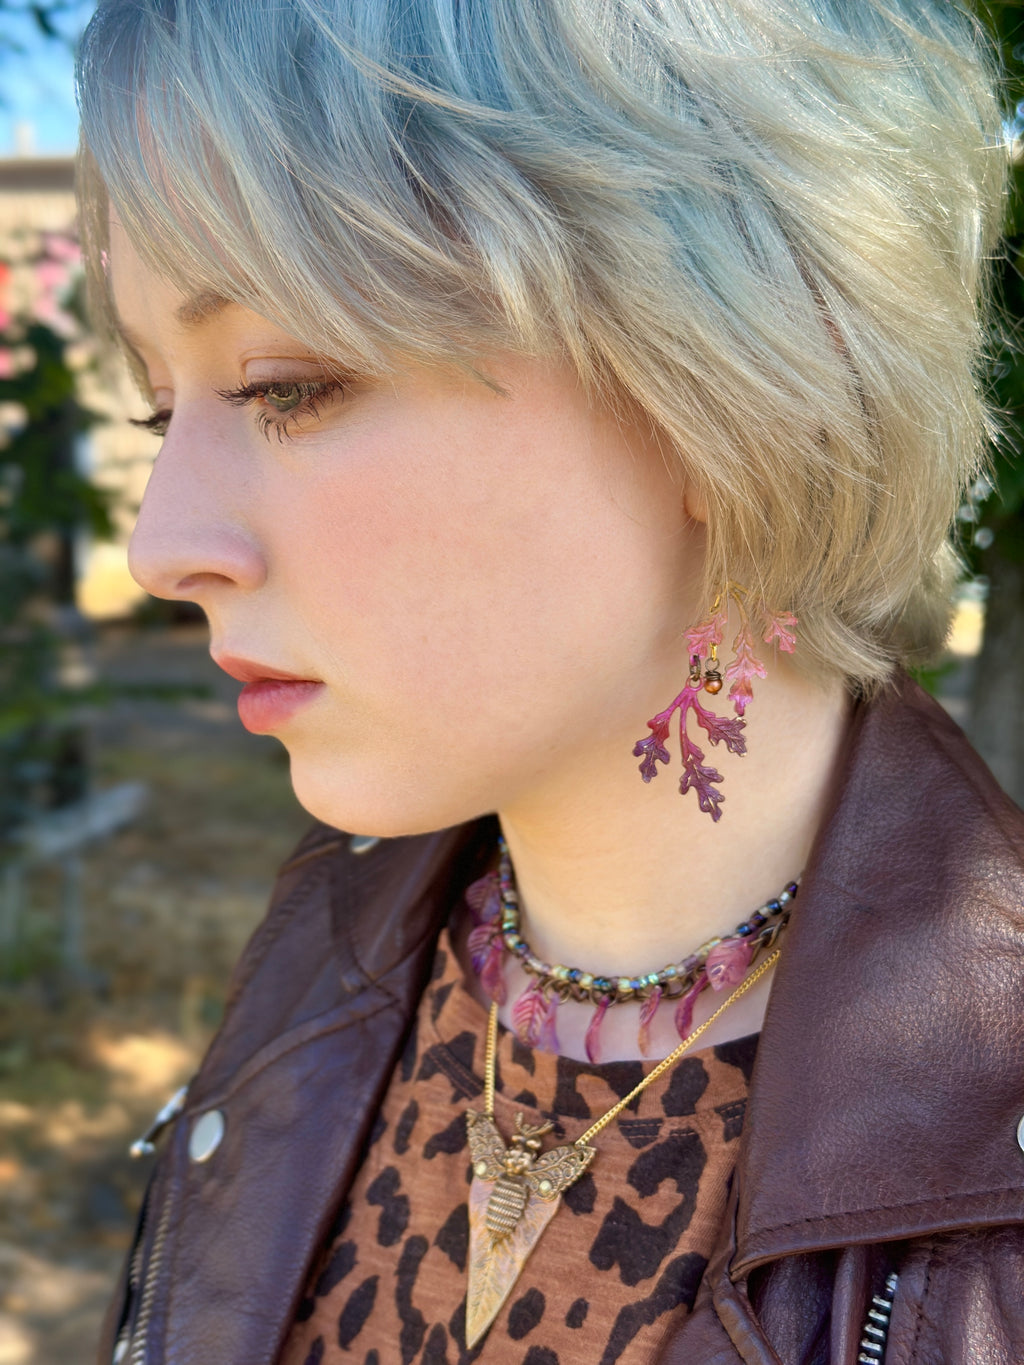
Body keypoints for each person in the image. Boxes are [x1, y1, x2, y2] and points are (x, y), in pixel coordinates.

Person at [75, 0, 1024, 1361]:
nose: (160, 544)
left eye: (290, 383)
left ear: (745, 377)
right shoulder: (328, 953)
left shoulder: (988, 1153)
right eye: (164, 410)